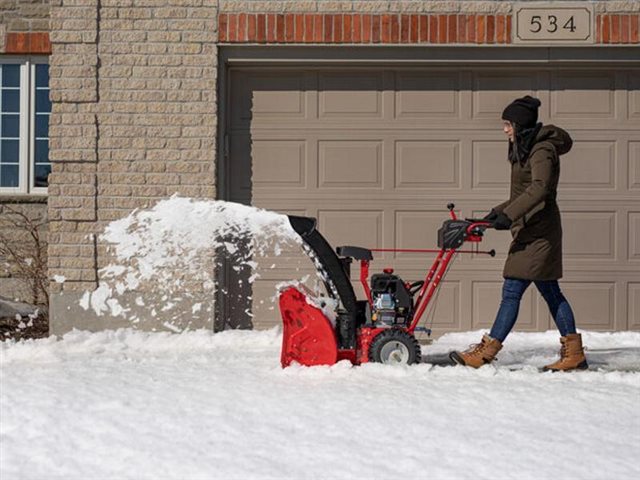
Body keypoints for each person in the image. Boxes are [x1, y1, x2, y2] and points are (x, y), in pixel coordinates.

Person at [450, 95, 588, 372]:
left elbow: (540, 188)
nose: (505, 130)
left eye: (507, 124)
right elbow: (521, 193)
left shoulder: (542, 150)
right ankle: (574, 354)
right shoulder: (526, 148)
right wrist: (496, 212)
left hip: (540, 231)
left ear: (520, 124)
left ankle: (487, 352)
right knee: (549, 291)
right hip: (530, 228)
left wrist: (508, 215)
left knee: (514, 289)